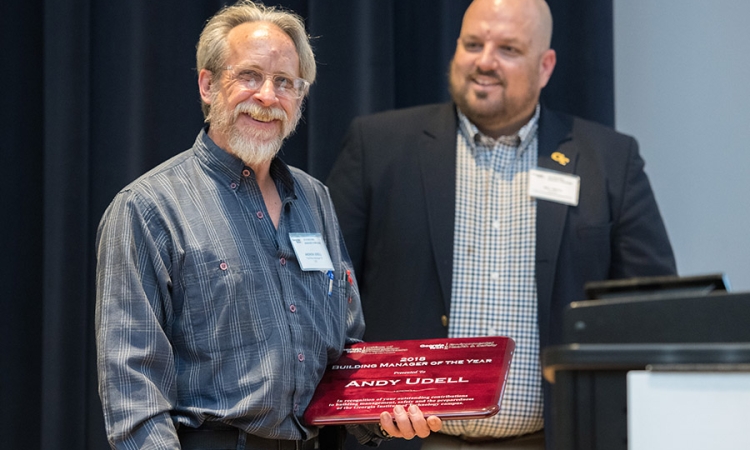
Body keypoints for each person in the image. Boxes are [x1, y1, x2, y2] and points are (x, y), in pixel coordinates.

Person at [326, 0, 677, 449]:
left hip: (552, 438)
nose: (484, 62)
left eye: (508, 49)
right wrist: (363, 414)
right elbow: (326, 299)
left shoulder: (609, 161)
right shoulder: (378, 147)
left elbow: (651, 308)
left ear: (545, 65)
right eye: (473, 44)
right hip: (404, 441)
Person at [94, 2, 442, 449]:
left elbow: (348, 351)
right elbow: (133, 392)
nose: (267, 97)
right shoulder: (147, 208)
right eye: (249, 76)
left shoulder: (314, 199)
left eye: (284, 83)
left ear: (300, 97)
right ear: (208, 84)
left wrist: (384, 412)